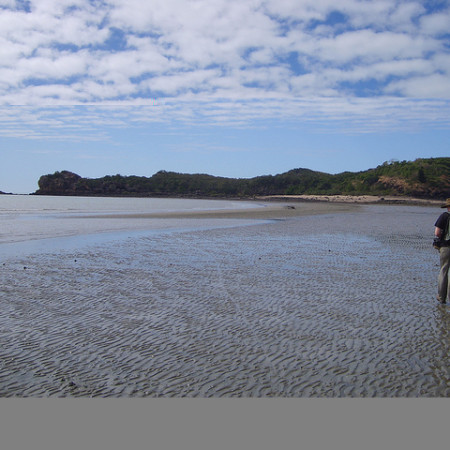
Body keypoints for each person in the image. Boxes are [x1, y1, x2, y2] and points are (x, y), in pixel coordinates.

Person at [434, 198, 450, 304]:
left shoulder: (444, 216)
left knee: (443, 271)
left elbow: (437, 232)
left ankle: (441, 297)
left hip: (446, 246)